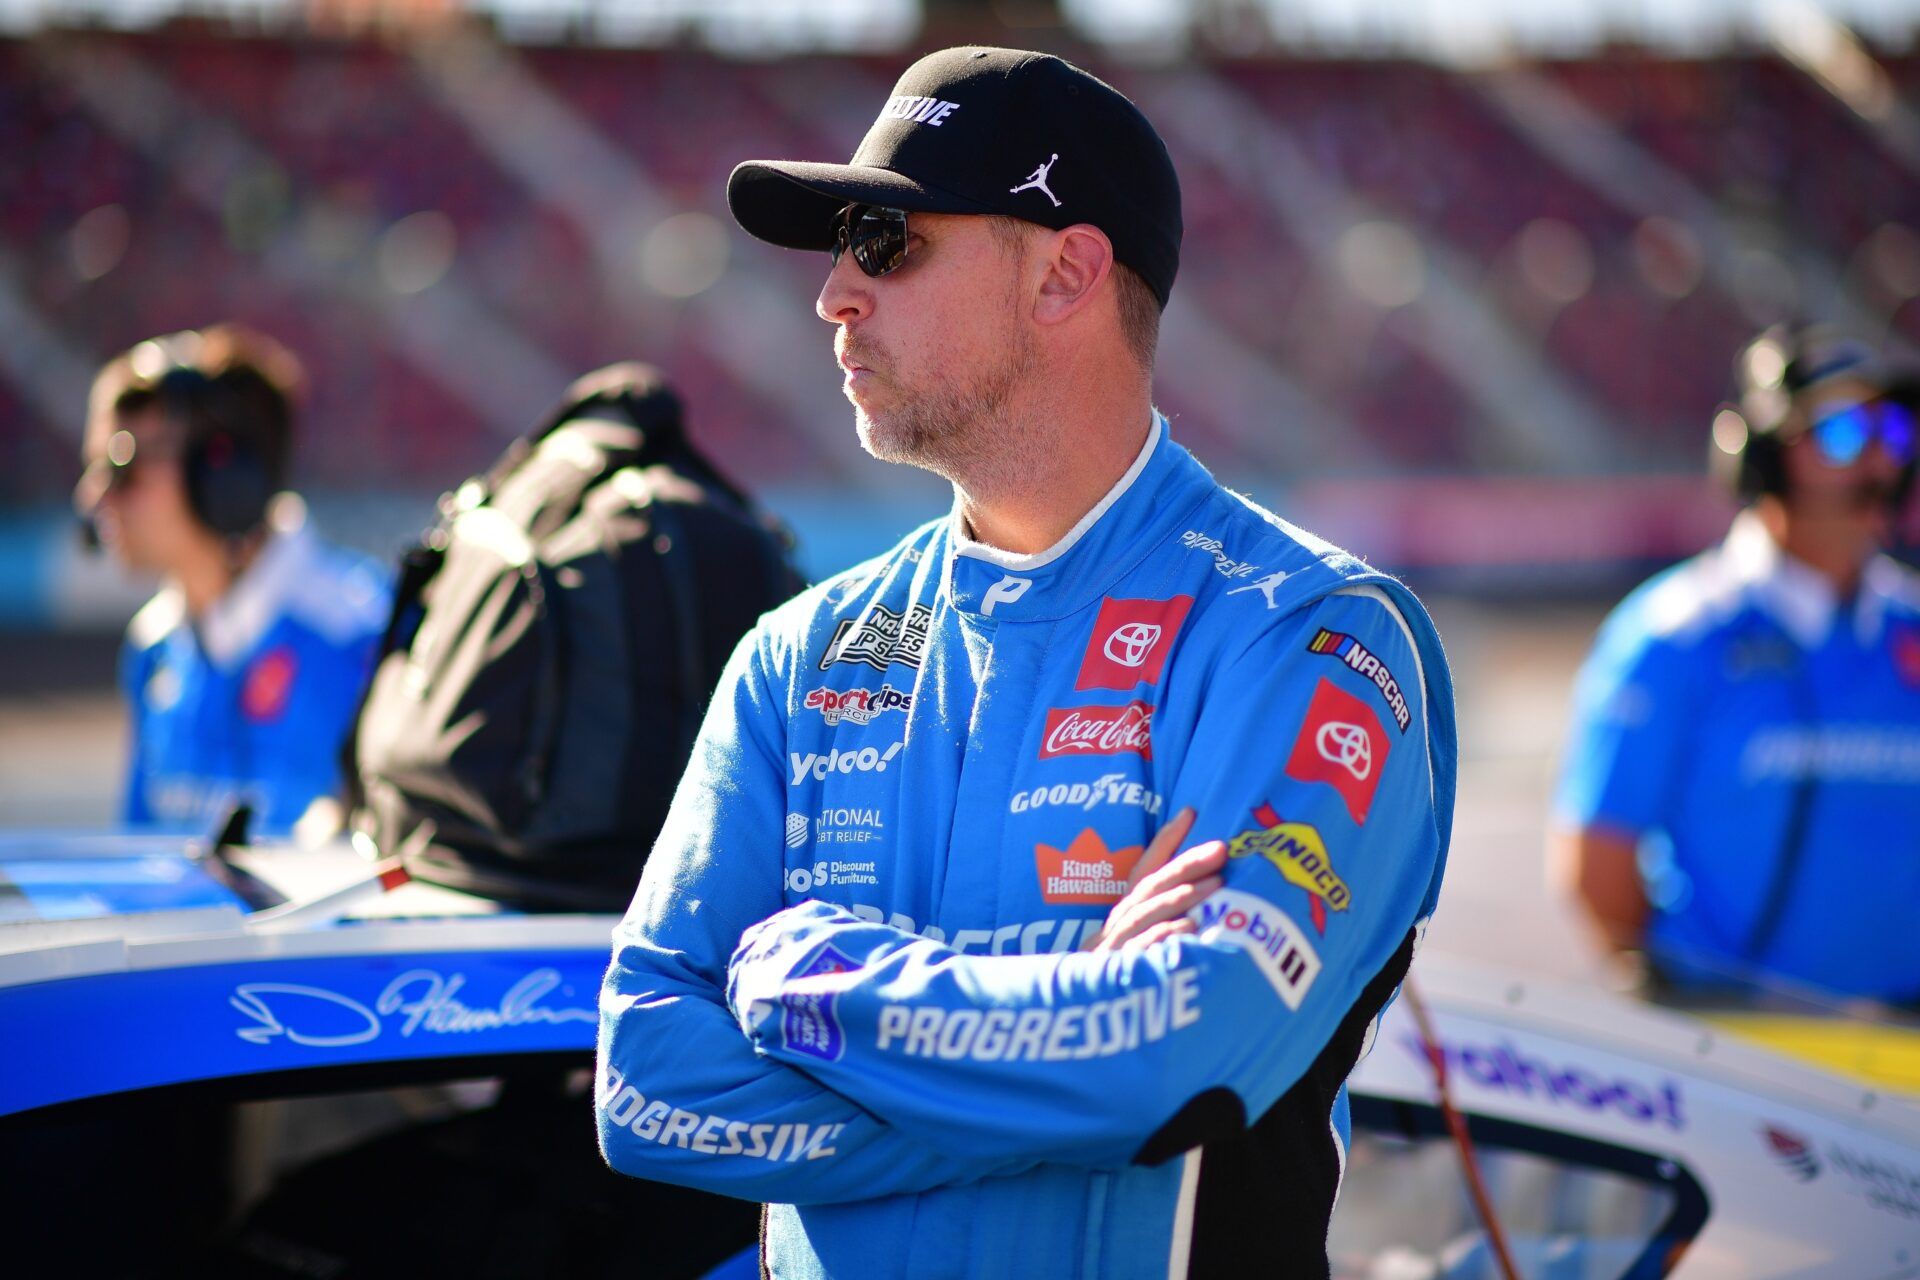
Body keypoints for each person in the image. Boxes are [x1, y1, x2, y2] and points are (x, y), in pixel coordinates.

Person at [596, 47, 1457, 1278]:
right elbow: (641, 1082)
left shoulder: (1313, 636)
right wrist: (1063, 1046)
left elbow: (1178, 1063)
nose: (835, 291)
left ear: (1066, 271)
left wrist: (804, 977)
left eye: (887, 242)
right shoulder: (805, 652)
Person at [1552, 324, 1920, 1005]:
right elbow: (1598, 863)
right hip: (1736, 1060)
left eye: (1893, 432)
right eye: (1842, 432)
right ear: (1764, 457)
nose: (1878, 463)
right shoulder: (1672, 638)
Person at [74, 324, 389, 837]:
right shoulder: (152, 646)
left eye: (123, 469)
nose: (95, 501)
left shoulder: (364, 640)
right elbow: (142, 863)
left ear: (224, 477)